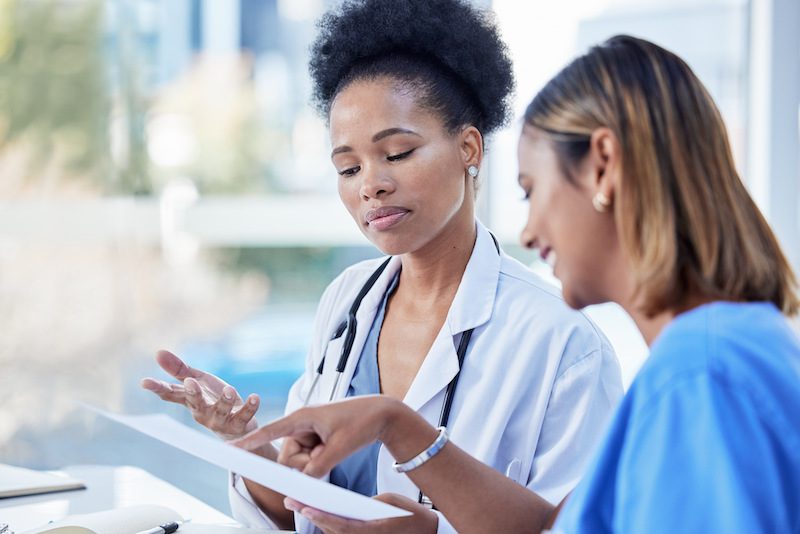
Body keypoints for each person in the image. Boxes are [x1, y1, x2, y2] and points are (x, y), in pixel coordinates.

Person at [235, 35, 800, 533]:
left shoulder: (702, 374)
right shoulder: (710, 355)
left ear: (601, 165)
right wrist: (393, 427)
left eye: (532, 191)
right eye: (348, 168)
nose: (529, 229)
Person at [142, 1, 624, 533]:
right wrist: (242, 438)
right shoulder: (347, 301)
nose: (370, 184)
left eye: (396, 154)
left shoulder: (563, 345)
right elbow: (295, 511)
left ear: (469, 148)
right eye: (348, 167)